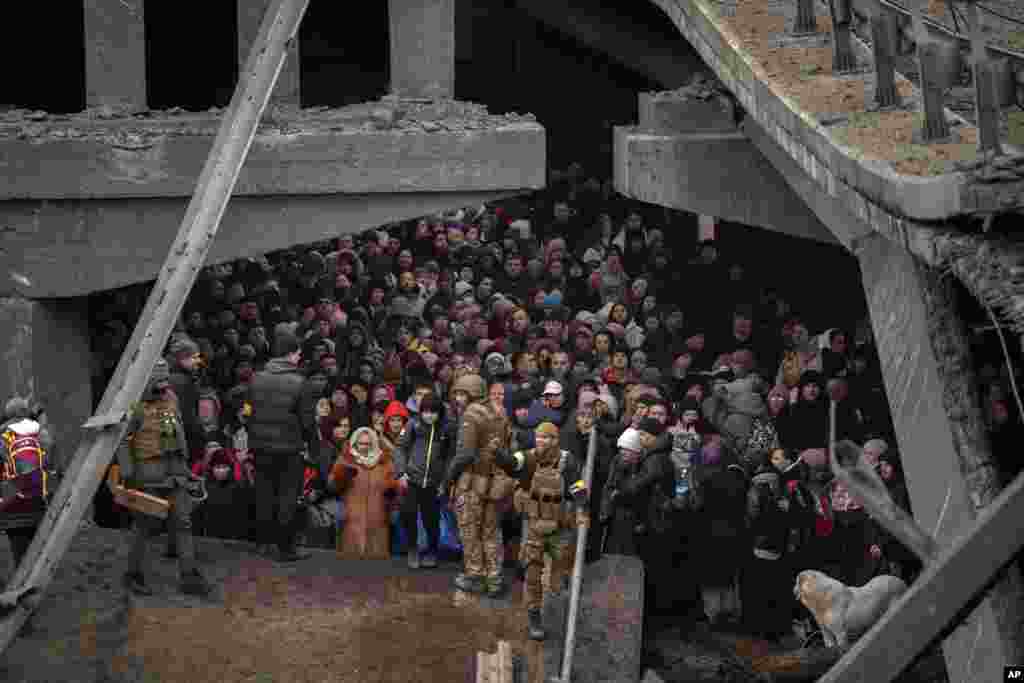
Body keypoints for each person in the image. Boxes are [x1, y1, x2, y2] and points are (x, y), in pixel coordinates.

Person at [113, 358, 213, 597]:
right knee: (144, 525)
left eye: (166, 380)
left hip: (175, 472)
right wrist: (127, 474)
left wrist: (186, 469)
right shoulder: (134, 405)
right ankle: (133, 574)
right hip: (147, 474)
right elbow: (122, 441)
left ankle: (189, 576)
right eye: (159, 380)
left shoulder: (171, 398)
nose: (164, 386)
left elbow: (176, 432)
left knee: (183, 522)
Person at [508, 422, 588, 640]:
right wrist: (497, 453)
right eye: (539, 437)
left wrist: (582, 510)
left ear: (555, 440)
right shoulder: (529, 457)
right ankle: (534, 615)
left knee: (560, 572)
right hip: (533, 525)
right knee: (532, 574)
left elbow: (577, 486)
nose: (542, 441)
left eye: (547, 438)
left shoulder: (566, 460)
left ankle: (558, 591)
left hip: (559, 526)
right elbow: (511, 464)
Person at [440, 373, 514, 597]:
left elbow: (464, 455)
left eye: (461, 394)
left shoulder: (471, 415)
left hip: (473, 482)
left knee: (470, 530)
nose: (457, 399)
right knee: (491, 532)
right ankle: (494, 579)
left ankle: (474, 576)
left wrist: (447, 480)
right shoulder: (499, 411)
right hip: (495, 482)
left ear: (471, 393)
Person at [246, 333, 311, 562]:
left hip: (260, 447)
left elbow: (247, 412)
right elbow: (307, 421)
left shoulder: (256, 378)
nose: (300, 356)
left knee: (264, 494)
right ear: (291, 354)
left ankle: (263, 543)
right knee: (287, 496)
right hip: (289, 449)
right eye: (298, 352)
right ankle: (285, 548)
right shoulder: (300, 382)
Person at [395, 395, 451, 568]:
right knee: (408, 514)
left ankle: (432, 551)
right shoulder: (413, 424)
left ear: (439, 413)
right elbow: (400, 448)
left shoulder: (446, 429)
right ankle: (412, 549)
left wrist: (445, 482)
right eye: (425, 412)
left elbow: (450, 457)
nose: (429, 416)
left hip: (434, 483)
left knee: (431, 519)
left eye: (433, 412)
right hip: (412, 479)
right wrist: (401, 473)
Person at [330, 427, 401, 558]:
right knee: (350, 562)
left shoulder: (384, 462)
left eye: (369, 443)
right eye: (361, 443)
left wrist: (392, 489)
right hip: (351, 517)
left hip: (378, 517)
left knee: (376, 564)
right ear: (354, 443)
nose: (365, 447)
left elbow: (394, 487)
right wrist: (341, 476)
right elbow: (333, 486)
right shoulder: (345, 459)